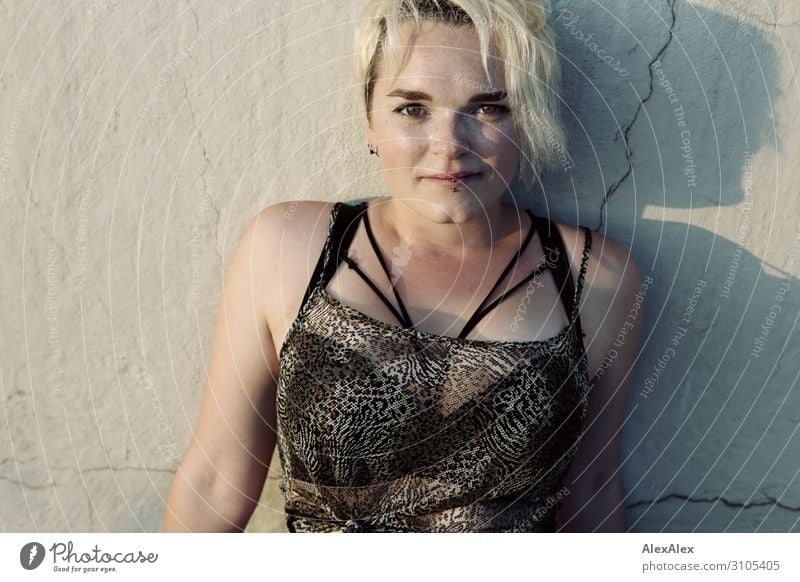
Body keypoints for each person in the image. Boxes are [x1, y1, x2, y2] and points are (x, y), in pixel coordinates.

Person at [162, 0, 642, 533]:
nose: (448, 147)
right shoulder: (286, 249)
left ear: (525, 119)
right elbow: (215, 482)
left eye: (488, 108)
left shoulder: (594, 278)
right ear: (368, 120)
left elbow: (592, 496)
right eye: (413, 108)